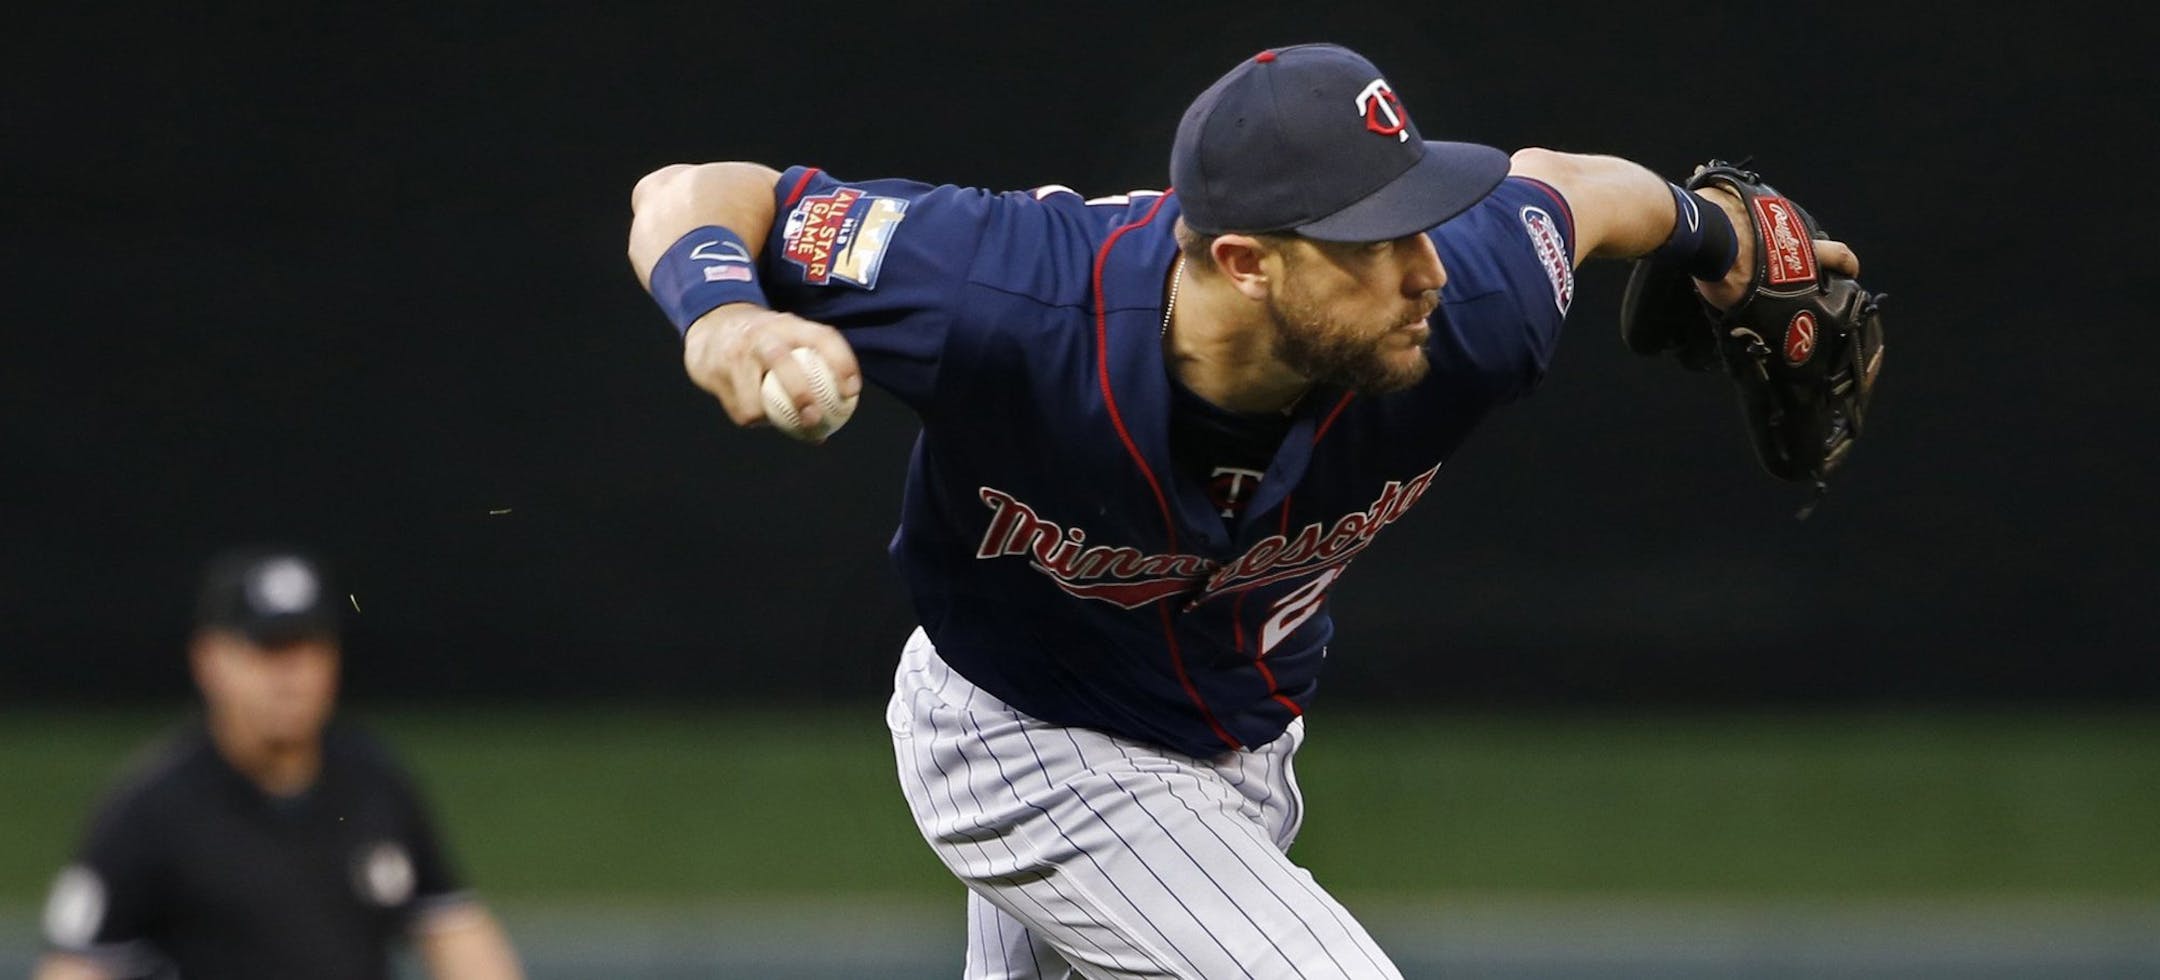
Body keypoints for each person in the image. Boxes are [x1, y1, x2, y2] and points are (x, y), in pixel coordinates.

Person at [626, 42, 1861, 979]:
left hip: (1240, 742)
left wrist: (1712, 234)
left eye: (1421, 219)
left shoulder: (1473, 302)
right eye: (1375, 242)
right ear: (1245, 261)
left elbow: (1565, 192)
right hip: (1021, 732)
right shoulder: (997, 292)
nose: (1428, 266)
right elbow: (695, 190)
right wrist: (728, 316)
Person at [33, 547, 525, 980]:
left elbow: (454, 928)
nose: (292, 676)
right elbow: (77, 966)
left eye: (309, 649)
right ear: (209, 661)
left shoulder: (373, 779)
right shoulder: (152, 809)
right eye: (269, 651)